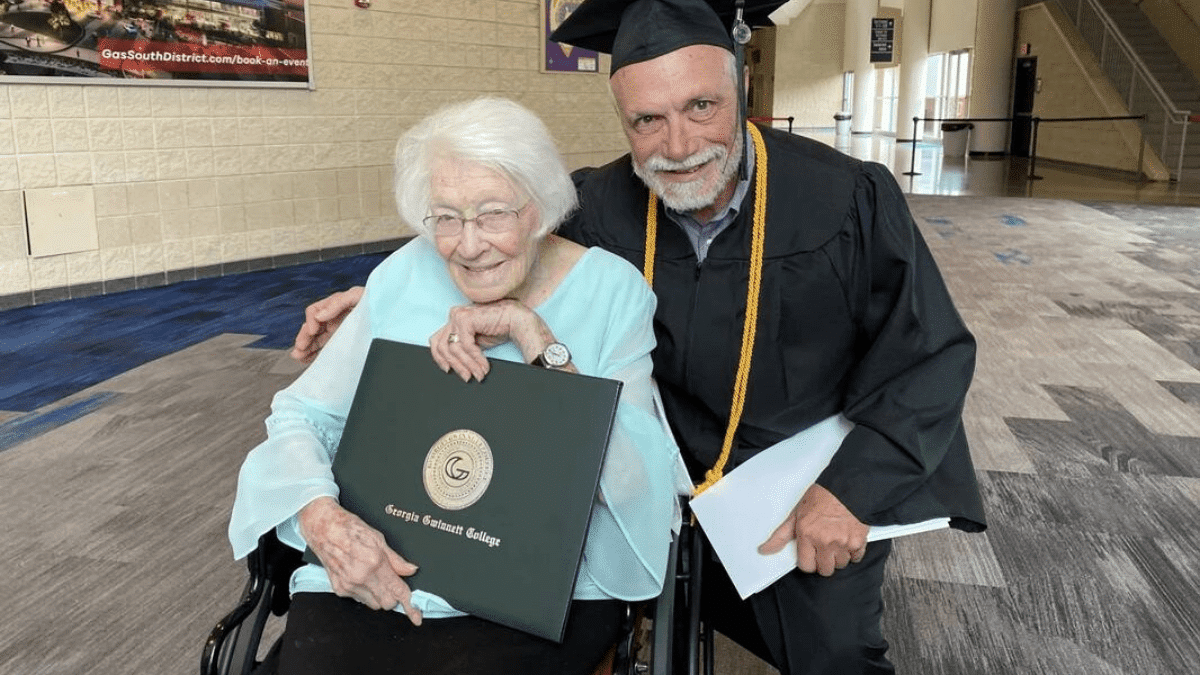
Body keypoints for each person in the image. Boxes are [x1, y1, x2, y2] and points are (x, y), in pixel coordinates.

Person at [290, 1, 988, 672]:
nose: (678, 146)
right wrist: (383, 297)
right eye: (647, 119)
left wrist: (851, 492)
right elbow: (496, 242)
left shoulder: (846, 200)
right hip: (644, 477)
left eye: (701, 108)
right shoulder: (598, 203)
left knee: (834, 652)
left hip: (799, 481)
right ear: (622, 119)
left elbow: (929, 356)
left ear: (740, 90)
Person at [230, 96, 691, 675]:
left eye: (493, 213)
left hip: (534, 594)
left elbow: (636, 484)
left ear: (542, 209)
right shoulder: (403, 273)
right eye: (446, 217)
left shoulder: (612, 292)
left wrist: (534, 336)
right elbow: (302, 416)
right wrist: (325, 523)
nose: (468, 245)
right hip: (380, 572)